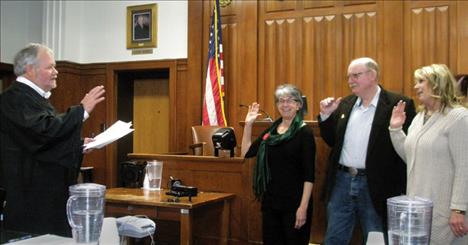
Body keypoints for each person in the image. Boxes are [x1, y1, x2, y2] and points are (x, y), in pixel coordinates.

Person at [0, 43, 105, 236]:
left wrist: (78, 145)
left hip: (45, 203)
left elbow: (45, 144)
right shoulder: (15, 98)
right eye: (50, 67)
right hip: (32, 207)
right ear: (30, 69)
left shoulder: (33, 98)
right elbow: (43, 132)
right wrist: (81, 110)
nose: (56, 72)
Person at [318, 57, 416, 244]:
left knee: (375, 237)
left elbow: (408, 148)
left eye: (356, 75)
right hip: (342, 181)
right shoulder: (345, 104)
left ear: (372, 76)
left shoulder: (399, 104)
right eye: (348, 77)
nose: (350, 81)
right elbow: (332, 141)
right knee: (334, 236)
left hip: (377, 185)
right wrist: (326, 116)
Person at [389, 64, 468, 244]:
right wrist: (395, 130)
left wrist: (459, 209)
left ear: (438, 83)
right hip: (418, 208)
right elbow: (411, 158)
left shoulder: (458, 117)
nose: (416, 86)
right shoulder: (419, 118)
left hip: (447, 211)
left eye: (421, 81)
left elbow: (465, 167)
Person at [241, 84, 315, 244]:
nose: (285, 105)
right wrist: (248, 125)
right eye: (281, 101)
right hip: (271, 202)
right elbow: (246, 153)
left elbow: (309, 175)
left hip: (295, 204)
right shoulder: (271, 131)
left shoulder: (304, 133)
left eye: (290, 101)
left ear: (298, 105)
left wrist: (303, 208)